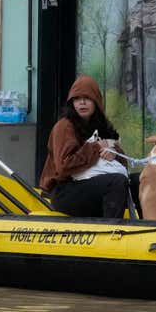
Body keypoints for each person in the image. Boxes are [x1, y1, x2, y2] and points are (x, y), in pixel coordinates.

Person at [39, 74, 131, 218]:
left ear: (96, 102)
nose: (82, 103)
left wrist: (114, 153)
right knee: (116, 182)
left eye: (87, 98)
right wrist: (96, 147)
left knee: (139, 180)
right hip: (65, 191)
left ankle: (152, 226)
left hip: (93, 184)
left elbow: (123, 165)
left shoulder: (102, 125)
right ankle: (111, 232)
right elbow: (64, 167)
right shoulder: (64, 126)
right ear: (71, 103)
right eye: (76, 99)